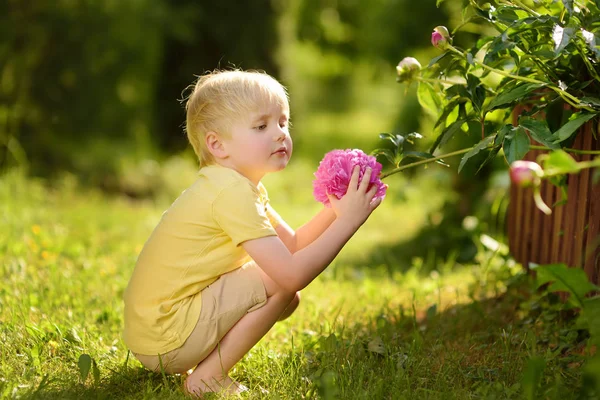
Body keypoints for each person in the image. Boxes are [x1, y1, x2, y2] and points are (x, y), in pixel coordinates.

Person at [123, 69, 384, 396]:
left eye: (283, 122)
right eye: (261, 126)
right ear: (217, 145)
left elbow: (292, 245)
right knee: (278, 283)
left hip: (156, 334)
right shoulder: (230, 193)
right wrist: (348, 222)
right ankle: (207, 377)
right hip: (166, 335)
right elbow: (290, 274)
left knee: (283, 292)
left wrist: (335, 209)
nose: (279, 134)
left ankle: (202, 364)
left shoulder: (233, 186)